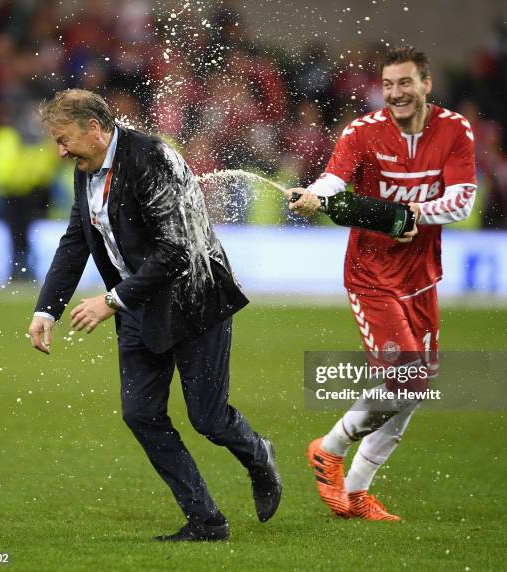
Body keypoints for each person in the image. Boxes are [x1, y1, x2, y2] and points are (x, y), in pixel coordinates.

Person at [27, 89, 282, 541]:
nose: (60, 151)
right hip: (138, 306)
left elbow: (177, 250)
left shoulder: (153, 158)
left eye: (65, 139)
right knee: (141, 413)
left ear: (95, 129)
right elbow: (77, 238)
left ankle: (258, 453)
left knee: (208, 419)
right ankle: (206, 519)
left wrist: (110, 301)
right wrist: (47, 308)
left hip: (194, 300)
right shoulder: (85, 167)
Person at [286, 46, 476, 521]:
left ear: (426, 83)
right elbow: (334, 180)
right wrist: (313, 195)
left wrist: (413, 213)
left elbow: (461, 202)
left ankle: (355, 492)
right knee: (405, 378)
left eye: (406, 83)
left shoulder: (455, 130)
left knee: (415, 388)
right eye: (389, 85)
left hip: (421, 275)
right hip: (372, 276)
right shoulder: (364, 132)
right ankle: (328, 449)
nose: (396, 94)